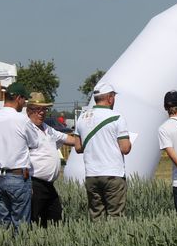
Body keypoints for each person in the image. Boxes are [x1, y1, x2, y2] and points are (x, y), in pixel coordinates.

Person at [0, 81, 39, 230]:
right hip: (17, 176)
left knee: (2, 223)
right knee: (21, 224)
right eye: (24, 99)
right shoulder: (22, 119)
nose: (24, 103)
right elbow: (34, 142)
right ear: (18, 98)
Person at [74, 83, 132, 221]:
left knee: (96, 216)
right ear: (110, 98)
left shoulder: (82, 118)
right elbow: (125, 148)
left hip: (92, 174)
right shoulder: (117, 117)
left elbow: (77, 147)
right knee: (116, 217)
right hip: (113, 173)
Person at [26, 92, 80, 227]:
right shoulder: (26, 128)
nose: (41, 113)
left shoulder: (47, 128)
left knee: (55, 218)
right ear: (29, 110)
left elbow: (68, 139)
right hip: (34, 183)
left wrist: (89, 138)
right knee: (35, 221)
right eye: (38, 109)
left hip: (48, 184)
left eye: (44, 109)